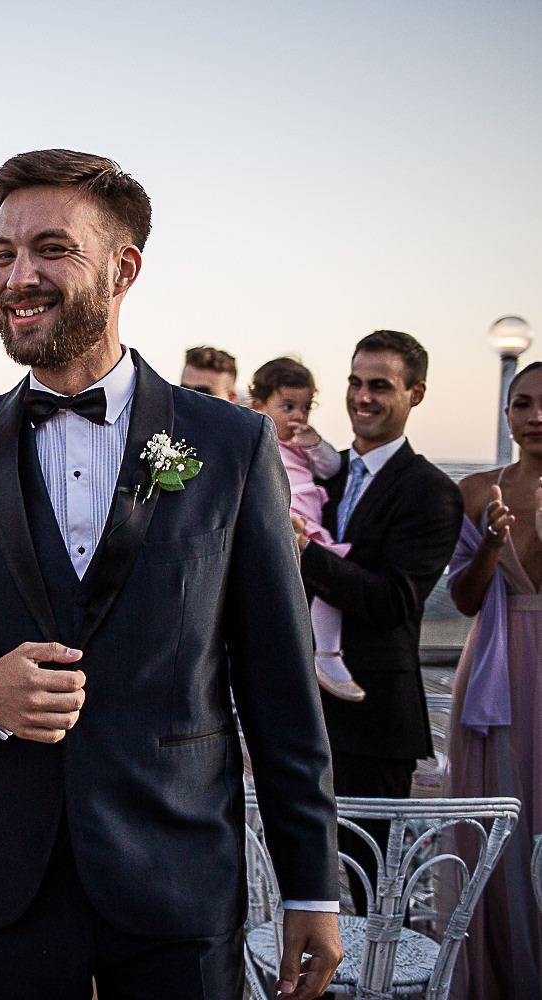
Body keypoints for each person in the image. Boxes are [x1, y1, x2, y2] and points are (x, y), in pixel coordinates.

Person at [0, 150, 341, 1000]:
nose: (17, 277)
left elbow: (280, 683)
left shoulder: (230, 444)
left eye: (50, 250)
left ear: (123, 267)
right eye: (1, 253)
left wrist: (311, 887)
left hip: (178, 873)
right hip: (8, 880)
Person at [297, 329, 463, 916]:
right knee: (307, 884)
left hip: (374, 720)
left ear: (415, 393)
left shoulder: (432, 492)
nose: (362, 397)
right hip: (304, 714)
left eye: (380, 386)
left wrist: (302, 554)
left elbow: (396, 599)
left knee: (370, 893)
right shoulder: (326, 474)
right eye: (354, 382)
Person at [442, 360, 542, 999]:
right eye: (523, 403)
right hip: (499, 670)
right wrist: (489, 547)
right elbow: (464, 599)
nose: (535, 416)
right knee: (498, 827)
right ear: (507, 414)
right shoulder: (478, 490)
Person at [248, 357, 364, 700]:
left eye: (304, 408)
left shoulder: (304, 444)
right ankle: (303, 657)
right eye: (287, 407)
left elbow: (331, 468)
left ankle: (326, 653)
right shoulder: (255, 439)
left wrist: (314, 444)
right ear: (259, 406)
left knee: (330, 582)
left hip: (309, 525)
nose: (298, 416)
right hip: (285, 515)